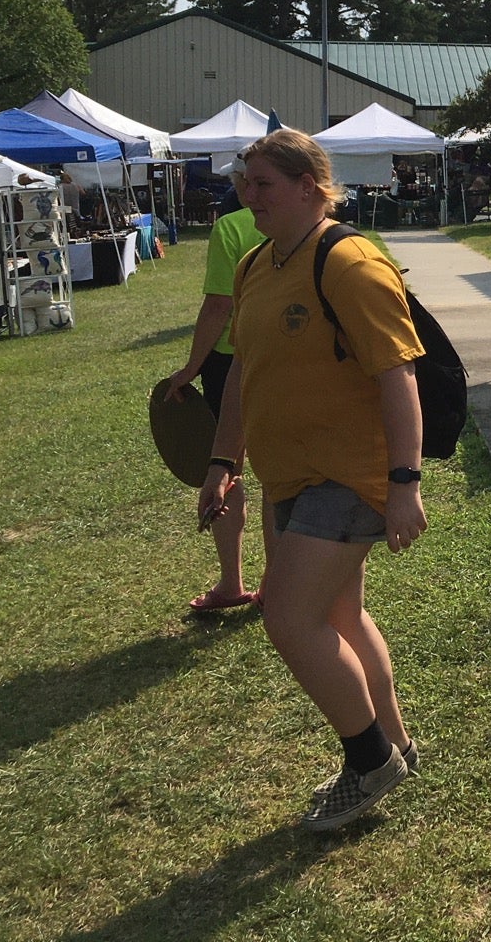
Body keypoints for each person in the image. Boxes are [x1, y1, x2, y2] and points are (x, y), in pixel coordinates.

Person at [200, 129, 426, 831]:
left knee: (288, 617)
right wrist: (221, 461)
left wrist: (404, 483)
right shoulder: (255, 264)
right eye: (245, 183)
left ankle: (369, 762)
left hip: (350, 477)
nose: (249, 196)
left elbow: (399, 376)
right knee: (337, 617)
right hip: (287, 476)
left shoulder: (352, 263)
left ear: (310, 186)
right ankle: (398, 747)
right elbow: (242, 371)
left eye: (264, 183)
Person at [165, 163, 266, 612]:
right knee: (283, 474)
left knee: (228, 467)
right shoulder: (320, 226)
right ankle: (280, 584)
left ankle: (232, 583)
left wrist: (191, 366)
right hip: (288, 358)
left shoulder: (230, 227)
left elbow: (218, 304)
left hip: (233, 360)